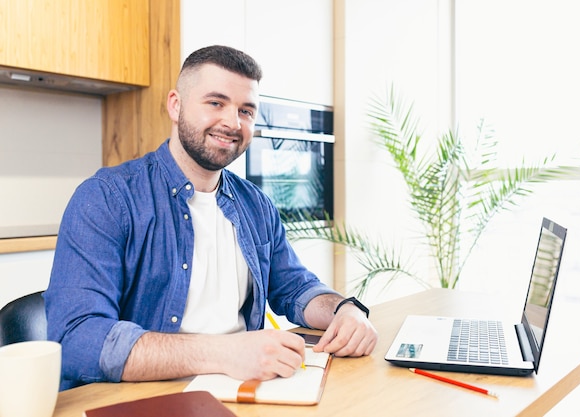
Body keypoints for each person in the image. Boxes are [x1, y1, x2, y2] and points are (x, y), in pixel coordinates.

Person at [44, 45, 378, 391]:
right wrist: (224, 353)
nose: (233, 123)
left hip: (246, 388)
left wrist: (345, 310)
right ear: (176, 105)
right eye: (216, 103)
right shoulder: (107, 198)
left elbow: (296, 287)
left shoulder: (255, 205)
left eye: (246, 111)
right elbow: (76, 338)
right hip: (145, 398)